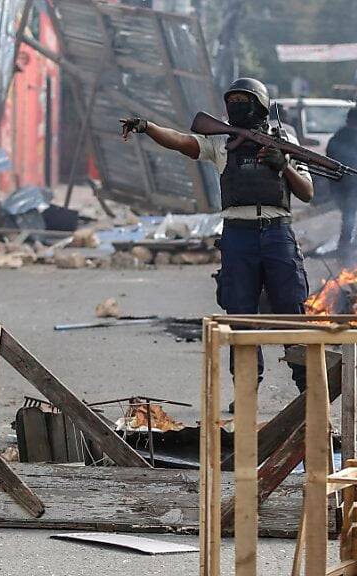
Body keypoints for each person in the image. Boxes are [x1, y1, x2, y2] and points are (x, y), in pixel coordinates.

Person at [119, 78, 314, 408]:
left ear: (261, 105)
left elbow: (306, 192)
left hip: (277, 233)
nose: (236, 105)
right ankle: (246, 394)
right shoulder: (222, 143)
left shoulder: (285, 140)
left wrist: (282, 165)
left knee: (292, 312)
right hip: (238, 236)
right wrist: (147, 127)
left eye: (244, 100)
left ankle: (309, 392)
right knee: (240, 318)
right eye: (232, 100)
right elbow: (182, 141)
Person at [326, 108, 357, 258]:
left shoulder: (336, 138)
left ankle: (344, 247)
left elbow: (329, 161)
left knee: (348, 217)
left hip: (340, 185)